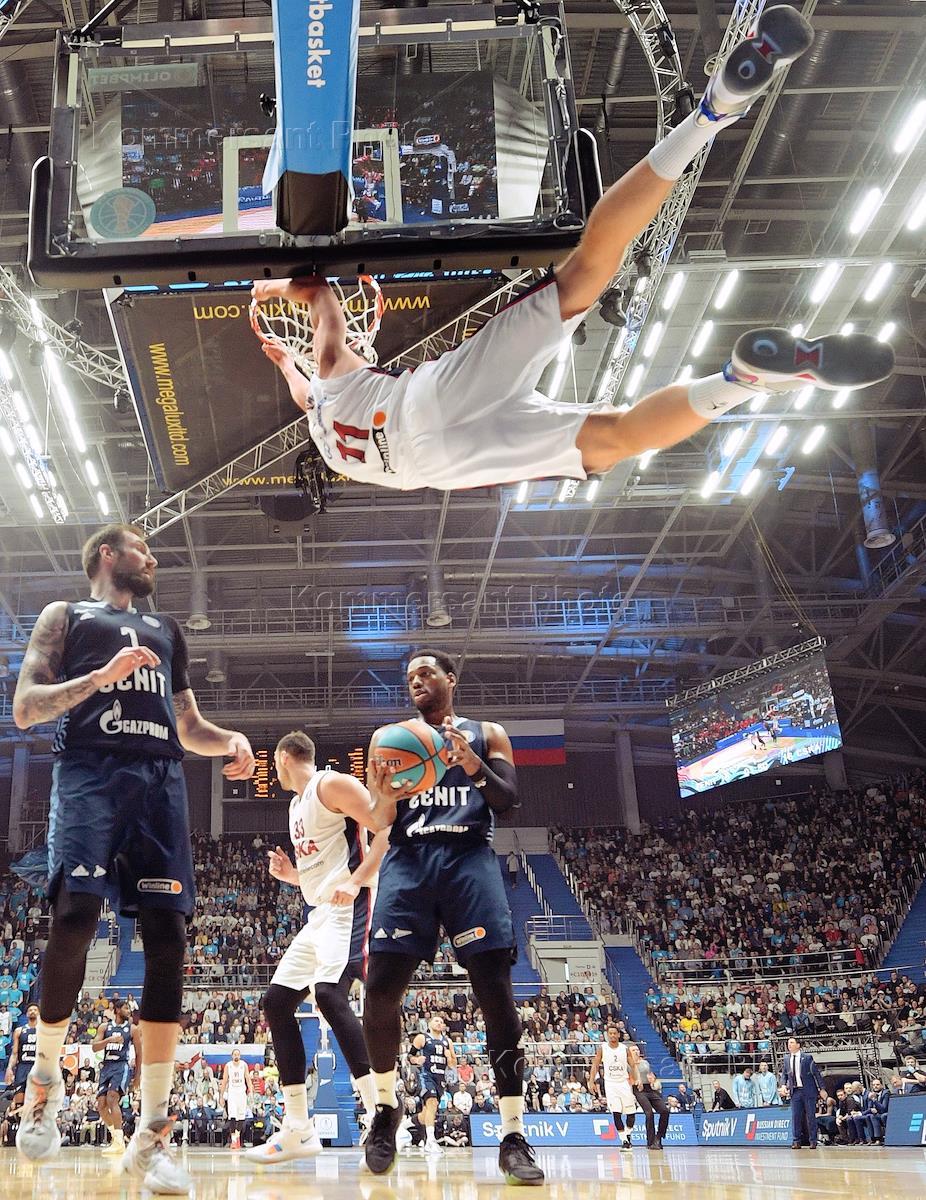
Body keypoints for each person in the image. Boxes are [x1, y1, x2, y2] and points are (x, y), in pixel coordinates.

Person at [255, 10, 890, 500]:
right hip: (424, 400)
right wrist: (274, 294)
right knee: (586, 267)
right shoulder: (331, 388)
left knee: (616, 438)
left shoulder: (336, 441)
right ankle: (708, 115)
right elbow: (318, 304)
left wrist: (289, 360)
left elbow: (300, 385)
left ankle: (741, 382)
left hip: (440, 463)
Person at [11, 522, 256, 1193]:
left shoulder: (167, 630)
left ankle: (152, 1135)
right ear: (107, 555)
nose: (152, 558)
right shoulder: (66, 616)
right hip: (90, 774)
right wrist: (100, 678)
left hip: (159, 783)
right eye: (142, 547)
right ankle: (44, 1082)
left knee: (170, 938)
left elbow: (188, 725)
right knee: (75, 917)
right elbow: (27, 708)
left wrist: (229, 740)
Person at [361, 648, 543, 1185]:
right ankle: (385, 1110)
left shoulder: (488, 734)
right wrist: (382, 795)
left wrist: (472, 765)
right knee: (380, 989)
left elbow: (507, 801)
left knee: (495, 992)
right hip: (409, 860)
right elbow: (379, 818)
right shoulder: (388, 739)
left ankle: (513, 1135)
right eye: (409, 677)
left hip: (468, 858)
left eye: (426, 673)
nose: (416, 681)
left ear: (450, 679)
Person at [243, 730, 392, 1165]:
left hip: (349, 906)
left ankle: (381, 1115)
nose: (274, 770)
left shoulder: (332, 784)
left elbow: (387, 829)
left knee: (328, 994)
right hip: (320, 913)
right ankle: (298, 1128)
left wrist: (356, 880)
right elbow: (321, 868)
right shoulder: (296, 806)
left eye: (274, 763)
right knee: (276, 1002)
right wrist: (293, 876)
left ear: (284, 758)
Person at [92, 998, 141, 1156]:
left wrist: (137, 1075)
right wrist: (109, 1040)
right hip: (106, 1066)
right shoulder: (104, 1027)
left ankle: (119, 1142)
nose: (129, 1011)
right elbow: (94, 1047)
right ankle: (117, 1137)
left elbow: (139, 1053)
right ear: (118, 1010)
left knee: (112, 1099)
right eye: (126, 1008)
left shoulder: (132, 1029)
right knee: (101, 1105)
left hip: (121, 1066)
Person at [410, 1015, 457, 1157]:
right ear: (430, 1024)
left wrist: (449, 1057)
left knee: (427, 1113)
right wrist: (416, 1059)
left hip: (440, 1078)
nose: (439, 1023)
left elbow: (453, 1065)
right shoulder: (422, 1038)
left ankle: (403, 1126)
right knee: (432, 1103)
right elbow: (409, 1056)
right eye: (436, 1021)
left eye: (441, 1022)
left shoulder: (447, 1041)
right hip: (426, 1076)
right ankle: (430, 1141)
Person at [588, 1024, 638, 1149]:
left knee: (631, 1113)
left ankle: (628, 1133)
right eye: (610, 1033)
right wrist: (591, 1081)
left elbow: (633, 1065)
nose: (612, 1035)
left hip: (624, 1083)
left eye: (614, 1033)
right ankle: (624, 1140)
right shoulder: (603, 1048)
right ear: (607, 1035)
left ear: (618, 1035)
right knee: (616, 1112)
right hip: (610, 1084)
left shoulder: (624, 1048)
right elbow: (595, 1065)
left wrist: (637, 1079)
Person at [780, 1035, 825, 1148]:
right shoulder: (786, 1058)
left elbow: (816, 1074)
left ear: (798, 1045)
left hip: (808, 1090)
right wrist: (783, 1085)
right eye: (788, 1043)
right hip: (795, 1091)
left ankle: (813, 1140)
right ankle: (796, 1141)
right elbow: (784, 1074)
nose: (789, 1045)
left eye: (792, 1042)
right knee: (795, 1116)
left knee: (810, 1116)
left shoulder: (807, 1057)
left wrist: (822, 1089)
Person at [628, 1046, 670, 1151]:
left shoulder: (645, 1063)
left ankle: (659, 1136)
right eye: (633, 1050)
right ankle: (650, 1141)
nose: (636, 1051)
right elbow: (628, 1079)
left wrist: (652, 1081)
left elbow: (649, 1074)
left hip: (649, 1088)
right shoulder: (628, 1065)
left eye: (637, 1050)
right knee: (649, 1113)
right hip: (638, 1089)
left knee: (665, 1110)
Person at [4, 1005, 38, 1101]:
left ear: (39, 1014)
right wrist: (9, 1068)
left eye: (35, 1010)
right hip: (22, 1066)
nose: (32, 1011)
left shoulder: (44, 1031)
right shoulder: (19, 1031)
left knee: (36, 1101)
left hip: (37, 1066)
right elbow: (14, 1053)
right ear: (26, 1014)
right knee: (19, 1099)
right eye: (30, 1010)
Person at [221, 1048, 252, 1150]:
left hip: (242, 1093)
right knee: (232, 1116)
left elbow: (248, 1079)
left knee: (241, 1116)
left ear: (240, 1056)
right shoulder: (228, 1065)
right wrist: (221, 1096)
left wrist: (251, 1091)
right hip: (232, 1094)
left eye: (238, 1054)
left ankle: (237, 1136)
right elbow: (224, 1081)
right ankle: (233, 1139)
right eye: (234, 1054)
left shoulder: (244, 1065)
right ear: (232, 1056)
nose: (236, 1056)